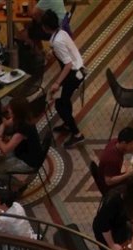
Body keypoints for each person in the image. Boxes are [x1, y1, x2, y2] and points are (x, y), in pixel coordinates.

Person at [43, 9, 87, 148]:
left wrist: (57, 83)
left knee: (59, 104)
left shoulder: (57, 41)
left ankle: (77, 134)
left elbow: (67, 64)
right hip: (78, 70)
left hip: (74, 74)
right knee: (64, 99)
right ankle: (68, 124)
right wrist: (53, 52)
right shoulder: (61, 32)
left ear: (45, 27)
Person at [0, 95, 42, 185]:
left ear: (16, 112)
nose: (8, 110)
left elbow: (6, 149)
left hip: (28, 161)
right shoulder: (22, 118)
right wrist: (0, 130)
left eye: (10, 109)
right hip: (22, 152)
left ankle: (16, 186)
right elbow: (5, 124)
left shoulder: (24, 128)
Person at [92, 174, 133, 250]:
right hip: (105, 231)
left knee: (124, 245)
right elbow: (104, 226)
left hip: (119, 224)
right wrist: (112, 246)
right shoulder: (113, 201)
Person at [97, 127, 133, 193]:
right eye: (132, 144)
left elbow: (127, 148)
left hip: (114, 173)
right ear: (124, 143)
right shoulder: (113, 159)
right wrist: (128, 174)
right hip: (110, 188)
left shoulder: (115, 142)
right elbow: (108, 181)